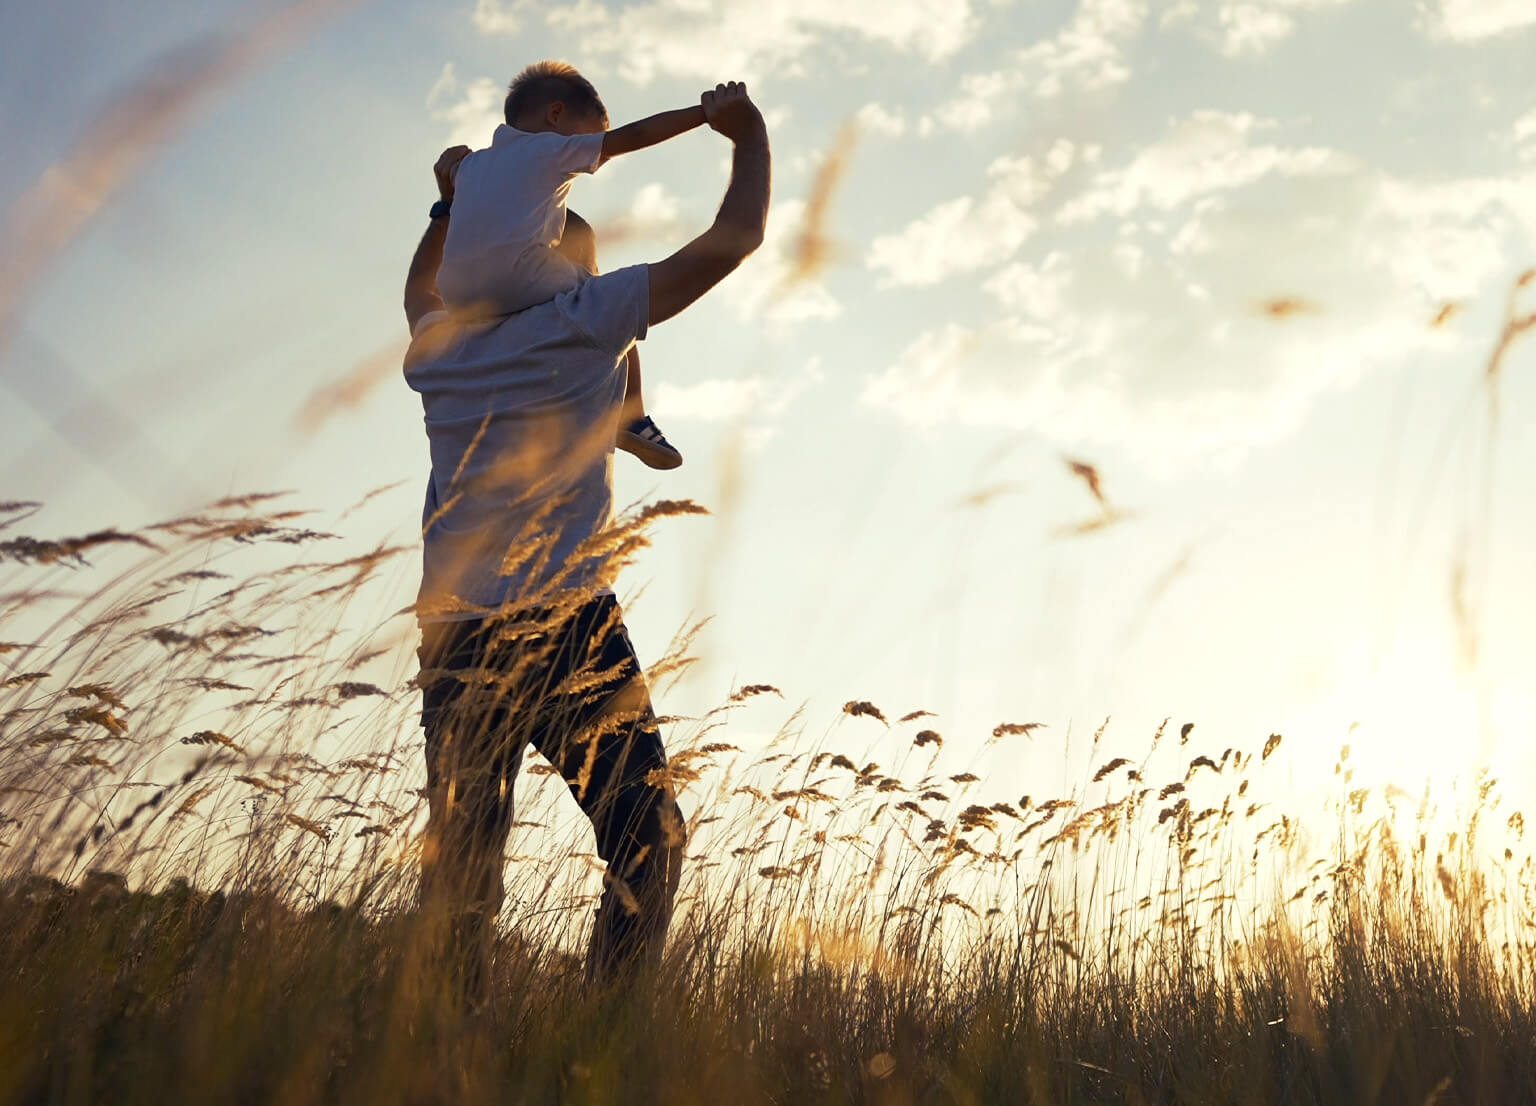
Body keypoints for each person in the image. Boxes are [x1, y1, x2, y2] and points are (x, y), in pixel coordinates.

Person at [402, 81, 770, 1003]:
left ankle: (439, 1064)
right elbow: (736, 241)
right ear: (569, 267)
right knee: (648, 838)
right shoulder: (584, 320)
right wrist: (748, 134)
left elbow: (420, 284)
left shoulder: (434, 347)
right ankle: (597, 1039)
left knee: (460, 881)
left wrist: (453, 202)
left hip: (453, 635)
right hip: (566, 622)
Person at [440, 59, 701, 470]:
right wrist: (704, 113)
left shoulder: (470, 166)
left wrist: (447, 187)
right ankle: (631, 417)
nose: (595, 158)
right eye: (591, 140)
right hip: (517, 273)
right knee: (611, 298)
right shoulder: (548, 148)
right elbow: (636, 135)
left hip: (454, 296)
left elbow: (448, 172)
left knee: (563, 262)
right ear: (556, 114)